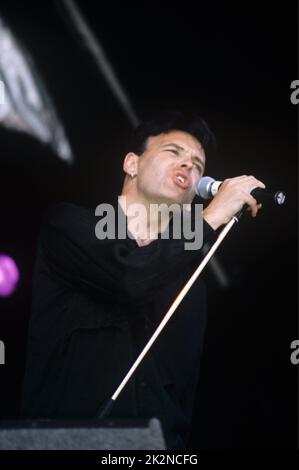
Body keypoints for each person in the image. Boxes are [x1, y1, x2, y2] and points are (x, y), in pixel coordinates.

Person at [21, 111, 265, 450]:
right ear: (131, 164)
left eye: (198, 164)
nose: (189, 167)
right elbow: (130, 276)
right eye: (173, 152)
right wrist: (210, 218)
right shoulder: (70, 226)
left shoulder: (189, 282)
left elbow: (182, 393)